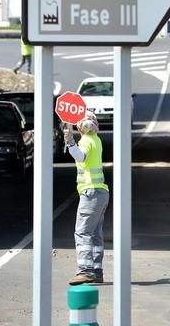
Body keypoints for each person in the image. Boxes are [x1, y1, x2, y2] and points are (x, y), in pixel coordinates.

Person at [63, 112, 110, 285]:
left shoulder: (87, 140)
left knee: (82, 232)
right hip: (100, 193)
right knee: (95, 234)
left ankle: (85, 270)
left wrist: (70, 142)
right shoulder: (95, 140)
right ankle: (96, 270)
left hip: (91, 193)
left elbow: (80, 156)